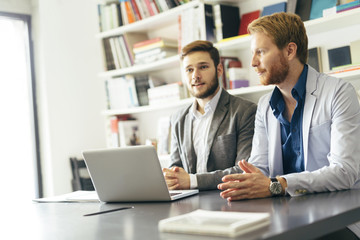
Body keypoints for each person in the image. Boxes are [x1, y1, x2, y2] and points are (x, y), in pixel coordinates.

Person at [217, 12, 360, 238]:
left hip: (336, 217)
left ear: (290, 51)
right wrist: (248, 180)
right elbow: (261, 168)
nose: (253, 62)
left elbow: (344, 172)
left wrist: (278, 184)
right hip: (284, 214)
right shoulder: (264, 106)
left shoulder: (339, 93)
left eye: (260, 52)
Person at [162, 40, 257, 191]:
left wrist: (192, 181)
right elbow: (176, 169)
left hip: (228, 201)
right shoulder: (178, 118)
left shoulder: (245, 111)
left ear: (219, 70)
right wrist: (170, 178)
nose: (195, 76)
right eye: (189, 70)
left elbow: (243, 171)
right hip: (188, 205)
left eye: (203, 67)